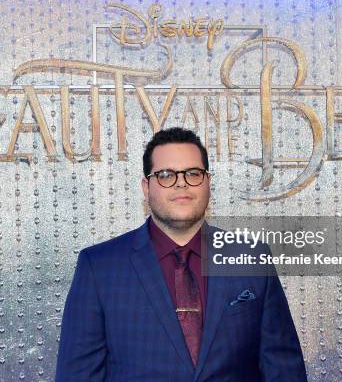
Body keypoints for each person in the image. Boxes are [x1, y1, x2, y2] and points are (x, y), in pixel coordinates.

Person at [55, 127, 307, 381]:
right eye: (165, 175)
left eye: (193, 173)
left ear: (208, 182)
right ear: (146, 187)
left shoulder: (252, 258)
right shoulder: (100, 267)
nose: (181, 183)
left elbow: (284, 370)